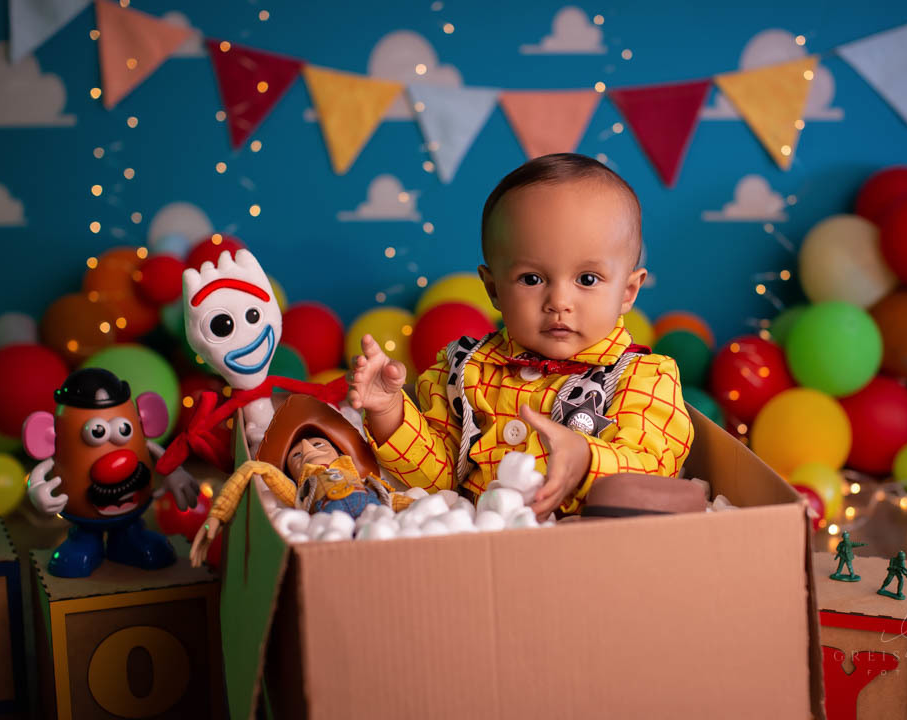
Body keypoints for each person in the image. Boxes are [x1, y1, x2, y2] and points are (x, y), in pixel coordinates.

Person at [348, 153, 695, 520]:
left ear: (627, 291)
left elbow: (656, 467)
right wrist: (389, 413)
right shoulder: (465, 370)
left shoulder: (644, 379)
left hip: (585, 553)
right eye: (532, 279)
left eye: (587, 279)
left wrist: (585, 461)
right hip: (479, 551)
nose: (559, 302)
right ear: (494, 289)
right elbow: (439, 483)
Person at [190, 395, 395, 566]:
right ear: (290, 474)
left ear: (338, 450)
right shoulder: (299, 493)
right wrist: (217, 517)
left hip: (376, 518)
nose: (307, 450)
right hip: (332, 531)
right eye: (295, 455)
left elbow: (392, 498)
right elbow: (253, 468)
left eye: (318, 444)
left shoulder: (366, 480)